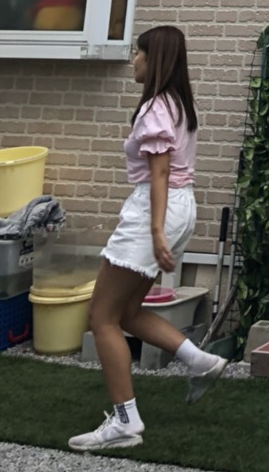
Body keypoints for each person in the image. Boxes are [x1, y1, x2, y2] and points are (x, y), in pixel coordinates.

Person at [69, 26, 227, 454]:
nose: (133, 59)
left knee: (101, 315)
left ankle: (125, 421)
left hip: (155, 209)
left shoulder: (157, 106)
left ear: (154, 59)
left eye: (138, 52)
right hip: (179, 206)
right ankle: (200, 361)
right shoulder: (178, 103)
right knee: (128, 312)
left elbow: (160, 172)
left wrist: (156, 231)